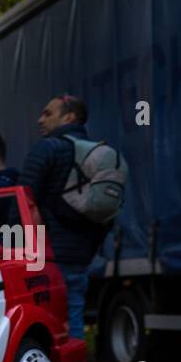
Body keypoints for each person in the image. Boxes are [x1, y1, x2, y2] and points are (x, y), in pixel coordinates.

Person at [18, 94, 112, 340]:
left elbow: (23, 201)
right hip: (80, 254)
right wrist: (89, 248)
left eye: (48, 113)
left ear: (69, 117)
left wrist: (16, 249)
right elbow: (108, 211)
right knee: (74, 315)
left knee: (43, 321)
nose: (40, 119)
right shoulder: (100, 157)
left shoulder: (48, 149)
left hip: (46, 255)